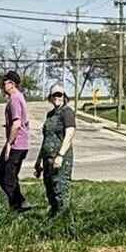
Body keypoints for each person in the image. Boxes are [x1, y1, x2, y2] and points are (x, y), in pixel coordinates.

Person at [34, 82, 77, 217]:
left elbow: (70, 133)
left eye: (60, 94)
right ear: (50, 97)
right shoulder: (50, 115)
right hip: (48, 159)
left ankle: (64, 220)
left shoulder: (67, 112)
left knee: (60, 189)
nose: (57, 97)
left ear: (64, 96)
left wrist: (60, 155)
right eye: (54, 95)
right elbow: (46, 138)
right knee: (50, 189)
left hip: (60, 159)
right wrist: (38, 161)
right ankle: (54, 217)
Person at [0, 70, 30, 211]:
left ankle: (18, 206)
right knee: (9, 176)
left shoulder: (15, 99)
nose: (3, 85)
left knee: (5, 177)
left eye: (5, 82)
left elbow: (16, 123)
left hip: (17, 144)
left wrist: (9, 144)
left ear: (12, 84)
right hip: (20, 144)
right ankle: (19, 203)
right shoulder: (19, 97)